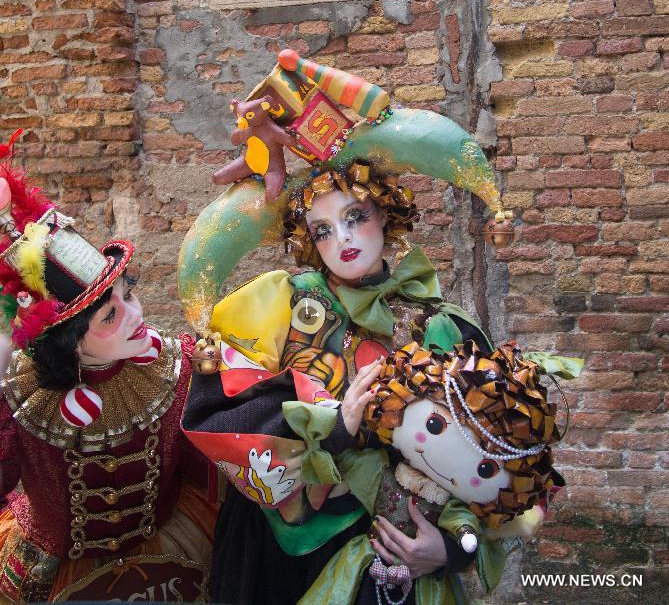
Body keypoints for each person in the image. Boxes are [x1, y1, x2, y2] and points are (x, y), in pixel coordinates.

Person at [180, 53, 512, 604]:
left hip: (399, 564)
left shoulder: (444, 330)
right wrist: (333, 425)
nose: (344, 240)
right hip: (285, 565)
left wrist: (455, 548)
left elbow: (501, 460)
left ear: (385, 212)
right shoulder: (273, 307)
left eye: (356, 216)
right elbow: (219, 423)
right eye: (323, 228)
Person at [0, 143, 217, 602]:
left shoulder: (176, 367)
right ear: (69, 345)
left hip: (174, 554)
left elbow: (208, 470)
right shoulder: (18, 400)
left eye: (129, 297)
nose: (136, 316)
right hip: (55, 569)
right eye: (109, 316)